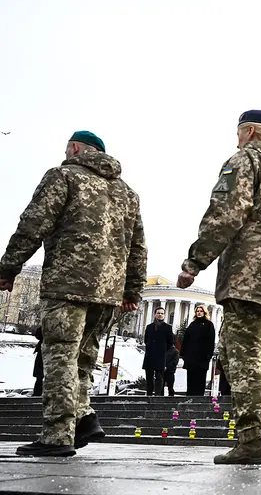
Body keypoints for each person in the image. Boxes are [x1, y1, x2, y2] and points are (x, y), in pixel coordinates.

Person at [0, 131, 146, 457]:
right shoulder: (127, 193)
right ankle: (84, 418)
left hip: (68, 286)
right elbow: (137, 248)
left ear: (76, 148)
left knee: (60, 360)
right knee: (81, 361)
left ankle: (57, 435)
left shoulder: (63, 176)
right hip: (107, 294)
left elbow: (33, 223)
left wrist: (8, 268)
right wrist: (131, 290)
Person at [177, 110, 261, 465]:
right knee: (248, 352)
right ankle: (253, 436)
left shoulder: (246, 160)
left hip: (248, 272)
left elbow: (226, 213)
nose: (236, 140)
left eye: (238, 133)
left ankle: (253, 439)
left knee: (242, 355)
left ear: (250, 132)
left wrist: (195, 262)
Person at [180, 305, 216, 396]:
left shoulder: (209, 324)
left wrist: (208, 355)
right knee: (191, 378)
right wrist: (183, 354)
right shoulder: (192, 324)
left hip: (202, 358)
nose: (199, 313)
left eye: (201, 311)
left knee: (200, 379)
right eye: (197, 311)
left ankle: (199, 397)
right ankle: (189, 396)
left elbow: (211, 341)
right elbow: (186, 340)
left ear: (204, 313)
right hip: (191, 357)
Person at [143, 308, 174, 395]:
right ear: (155, 314)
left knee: (159, 377)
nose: (160, 315)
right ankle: (148, 394)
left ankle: (157, 395)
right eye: (158, 313)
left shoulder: (167, 328)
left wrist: (162, 349)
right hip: (150, 355)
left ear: (164, 315)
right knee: (149, 376)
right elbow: (146, 340)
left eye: (162, 313)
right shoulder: (149, 327)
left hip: (160, 355)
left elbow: (170, 342)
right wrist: (150, 346)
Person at [32, 326, 44, 397]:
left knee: (40, 375)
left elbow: (38, 334)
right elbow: (38, 334)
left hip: (46, 351)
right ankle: (37, 392)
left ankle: (38, 393)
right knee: (39, 375)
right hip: (43, 351)